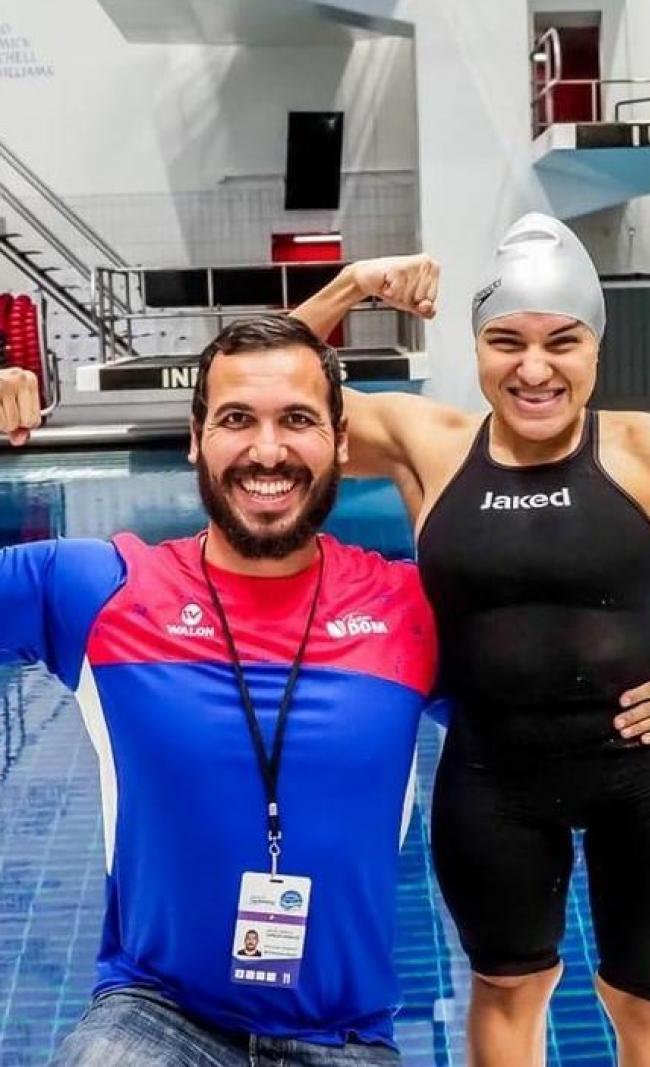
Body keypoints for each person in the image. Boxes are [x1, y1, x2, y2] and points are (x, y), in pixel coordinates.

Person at [285, 215, 650, 1067]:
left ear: (595, 347)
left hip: (649, 778)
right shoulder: (431, 446)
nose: (533, 367)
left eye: (562, 341)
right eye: (505, 341)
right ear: (476, 348)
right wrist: (352, 286)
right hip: (493, 779)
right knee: (507, 991)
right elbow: (269, 385)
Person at [0, 314, 438, 1067]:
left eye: (296, 420)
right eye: (238, 419)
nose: (267, 451)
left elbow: (559, 698)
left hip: (344, 1040)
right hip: (154, 1018)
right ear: (196, 439)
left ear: (340, 441)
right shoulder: (103, 588)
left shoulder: (412, 607)